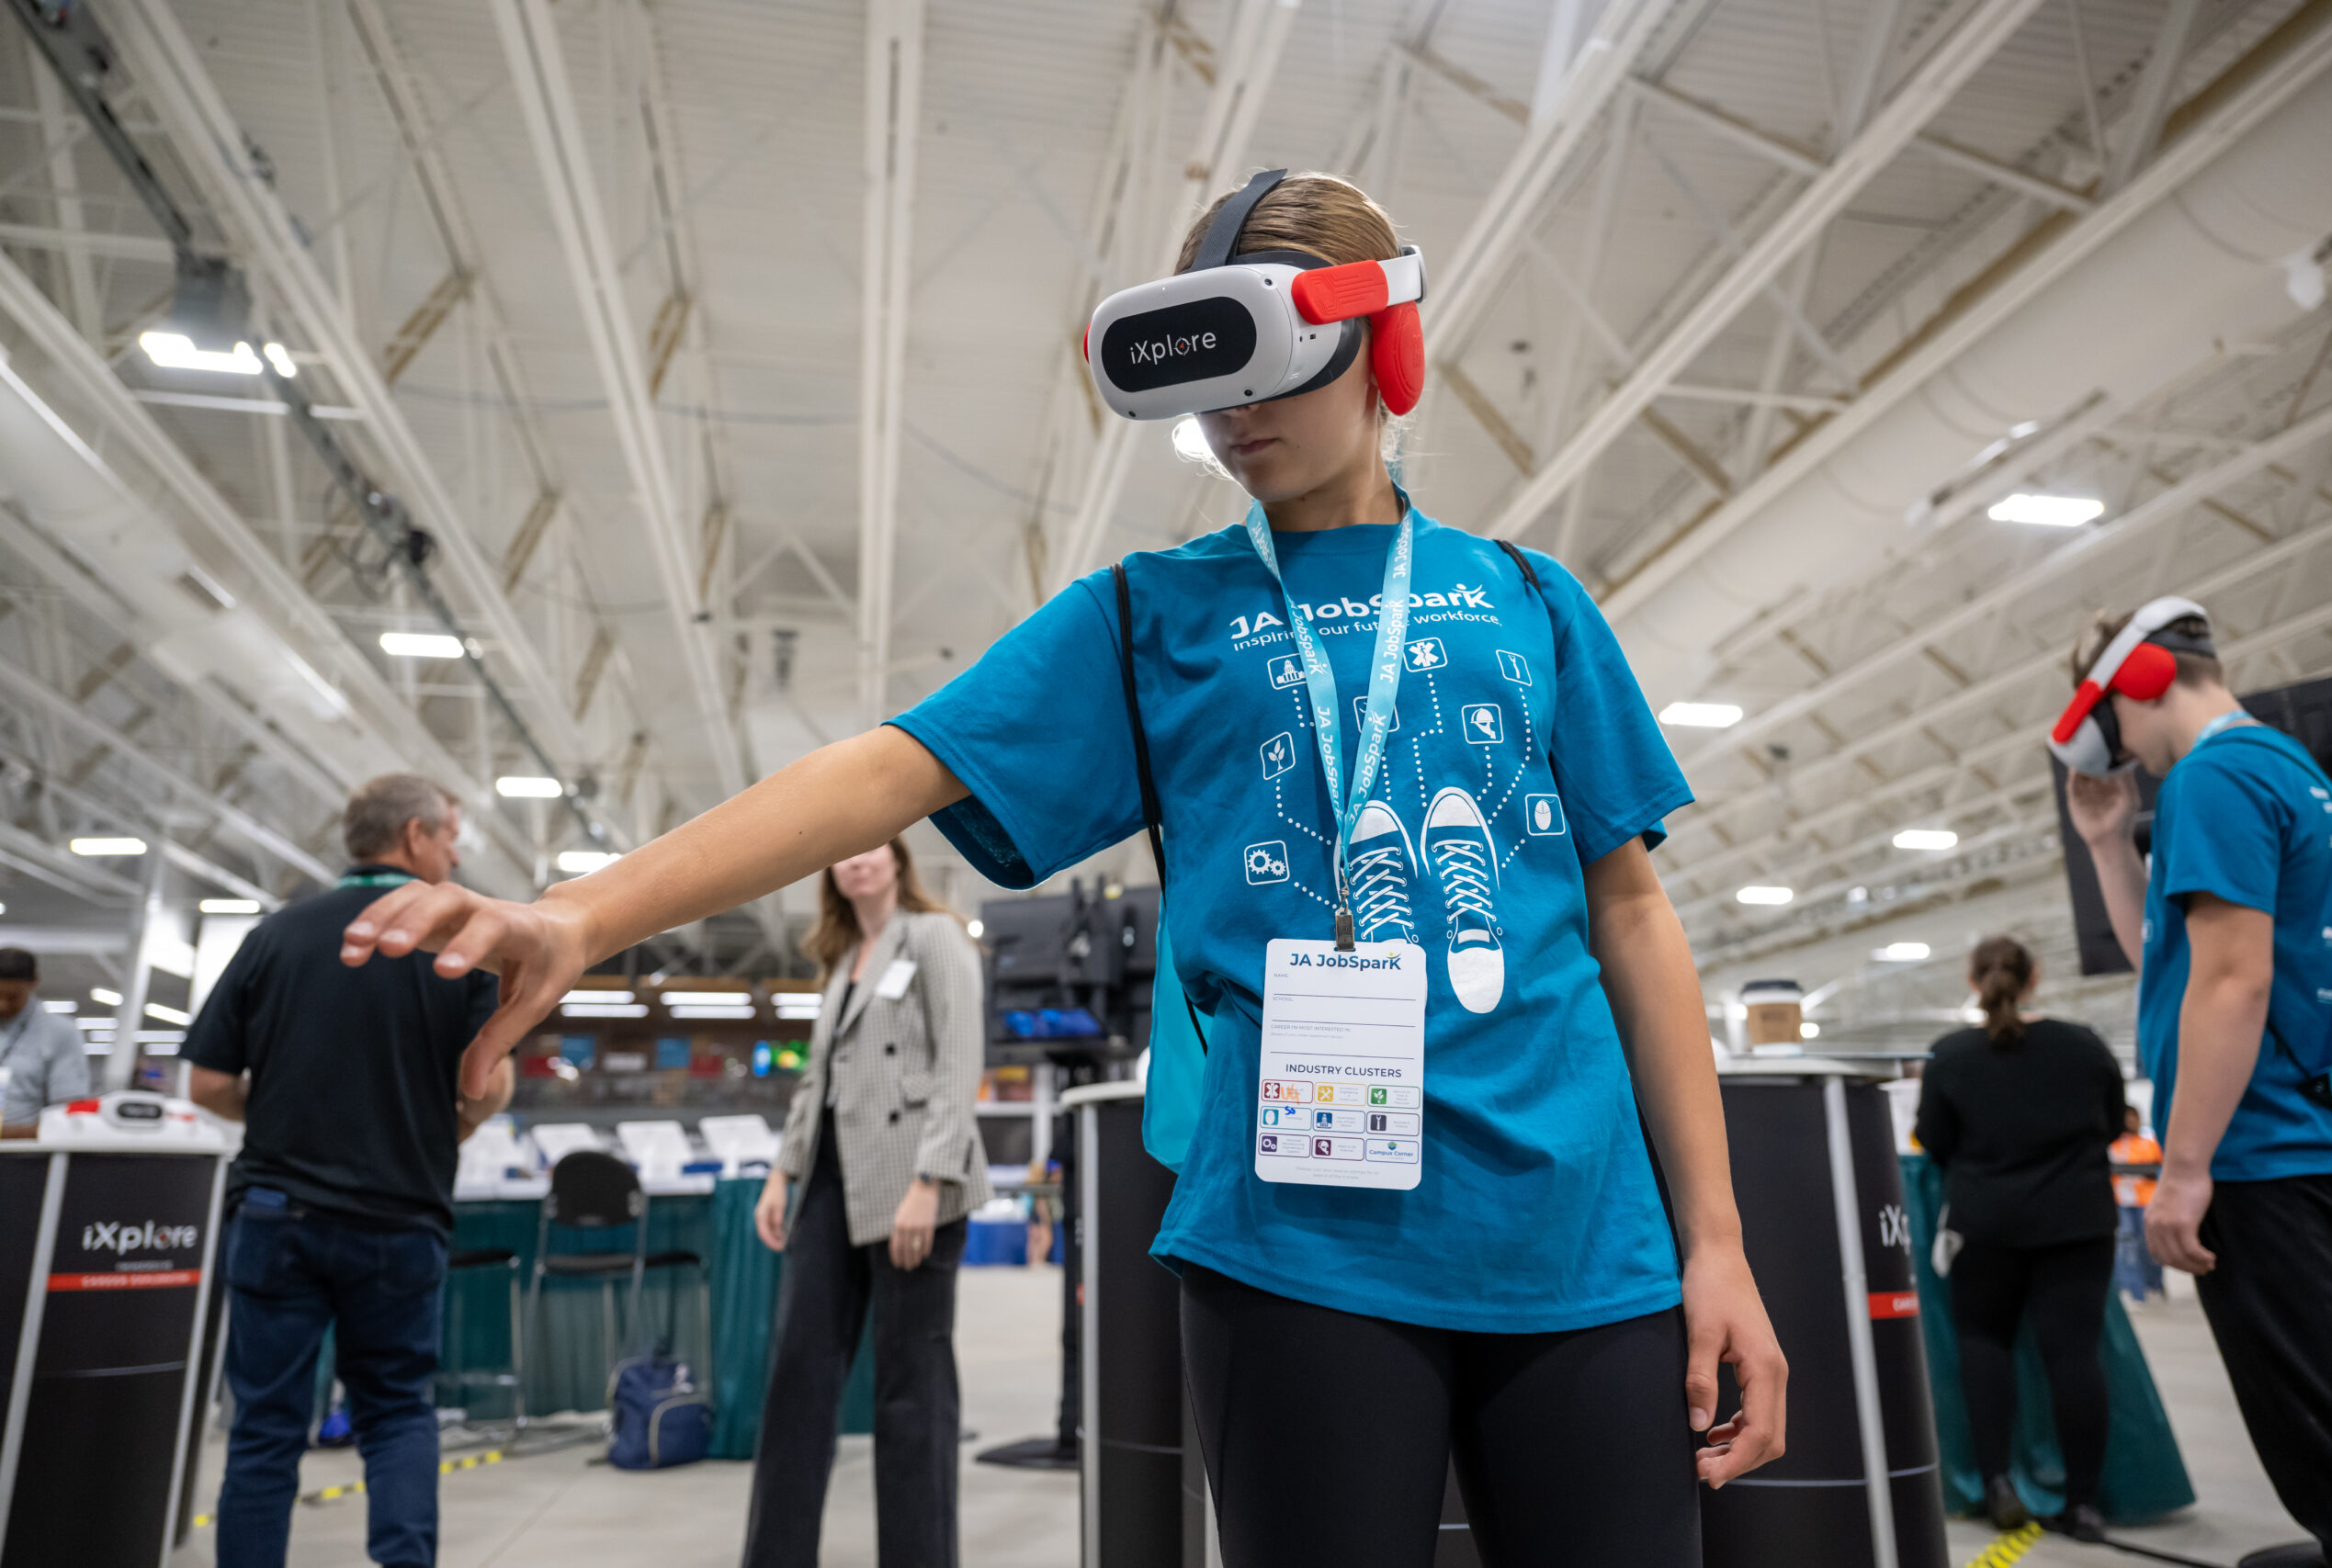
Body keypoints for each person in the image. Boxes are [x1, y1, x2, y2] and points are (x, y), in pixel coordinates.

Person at [339, 171, 1786, 1568]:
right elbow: (885, 768)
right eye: (1211, 385)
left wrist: (1713, 1245)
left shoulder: (1532, 598)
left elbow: (1633, 916)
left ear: (1383, 344)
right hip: (1298, 1250)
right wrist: (581, 911)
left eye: (1274, 367)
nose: (1237, 416)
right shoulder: (1151, 615)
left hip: (1585, 1243)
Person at [2065, 604, 2332, 1565]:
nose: (2124, 752)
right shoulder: (2290, 772)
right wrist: (2111, 845)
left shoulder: (2209, 779)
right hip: (2315, 1138)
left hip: (2259, 1154)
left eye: (2117, 723)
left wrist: (2181, 1170)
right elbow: (2174, 949)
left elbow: (2233, 979)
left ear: (2142, 678)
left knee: (2325, 1446)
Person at [186, 774, 510, 1568]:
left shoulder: (276, 935)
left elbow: (208, 1083)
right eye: (449, 835)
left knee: (263, 1431)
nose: (456, 851)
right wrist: (440, 1121)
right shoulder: (458, 947)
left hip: (277, 1213)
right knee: (398, 1414)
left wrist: (291, 1104)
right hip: (400, 1220)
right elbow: (489, 1084)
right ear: (412, 837)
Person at [743, 838, 985, 1568]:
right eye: (840, 849)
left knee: (912, 1393)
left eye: (870, 842)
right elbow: (816, 1080)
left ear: (897, 854)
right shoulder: (842, 960)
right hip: (828, 1179)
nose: (857, 857)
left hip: (912, 1182)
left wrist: (931, 1180)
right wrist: (783, 1170)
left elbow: (958, 1061)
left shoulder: (933, 935)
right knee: (797, 1381)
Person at [1916, 935, 2124, 1540]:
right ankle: (2084, 1504)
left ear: (1973, 979)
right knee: (2074, 1355)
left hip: (1986, 1222)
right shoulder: (2083, 1045)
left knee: (1984, 1344)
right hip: (2077, 1221)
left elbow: (1933, 1138)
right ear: (2034, 977)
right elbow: (2112, 1122)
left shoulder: (1949, 1055)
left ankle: (1999, 1483)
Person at [0, 947, 88, 1135]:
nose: (2, 1005)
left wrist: (13, 1134)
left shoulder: (60, 1033)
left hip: (27, 1155)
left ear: (34, 982)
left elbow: (67, 1115)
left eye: (12, 997)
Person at [2109, 1107, 2164, 1303]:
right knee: (2125, 1247)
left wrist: (2128, 1170)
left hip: (2146, 1202)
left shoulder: (2149, 1143)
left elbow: (2157, 1168)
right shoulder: (2113, 1144)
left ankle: (2154, 1285)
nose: (2130, 1122)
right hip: (2121, 1203)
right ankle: (2133, 1290)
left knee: (2148, 1246)